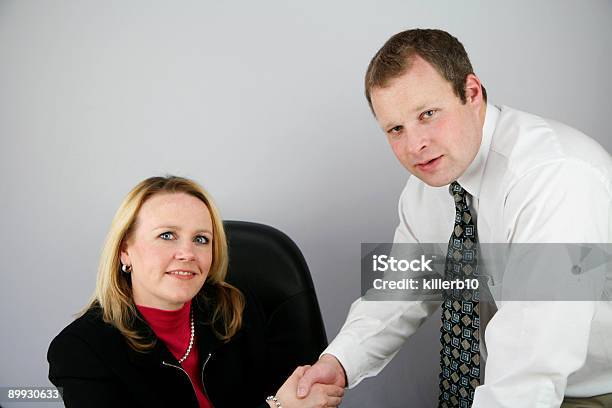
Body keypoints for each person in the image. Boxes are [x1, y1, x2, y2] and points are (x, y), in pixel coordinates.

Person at [295, 29, 612, 407]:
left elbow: (533, 359)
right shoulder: (430, 185)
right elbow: (401, 289)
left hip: (587, 389)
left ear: (472, 93)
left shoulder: (554, 178)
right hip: (503, 383)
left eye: (427, 114)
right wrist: (339, 362)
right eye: (396, 129)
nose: (414, 146)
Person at [48, 176, 344, 408]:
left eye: (201, 239)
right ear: (125, 250)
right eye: (167, 236)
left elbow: (302, 395)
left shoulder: (237, 308)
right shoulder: (81, 351)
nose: (188, 253)